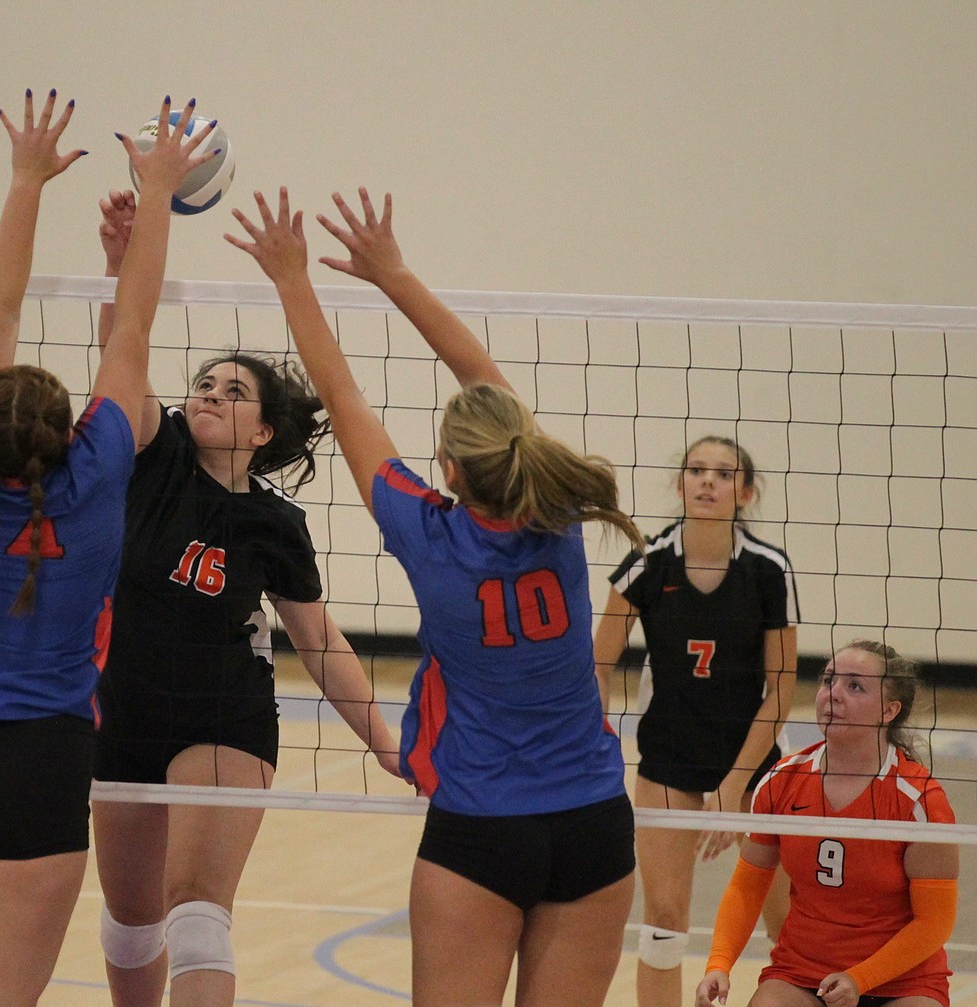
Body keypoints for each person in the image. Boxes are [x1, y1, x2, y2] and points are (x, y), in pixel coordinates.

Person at [227, 185, 641, 1007]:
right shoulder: (557, 521)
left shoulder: (430, 538)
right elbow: (487, 389)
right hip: (595, 822)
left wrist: (292, 279)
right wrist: (395, 274)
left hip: (481, 828)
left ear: (448, 472)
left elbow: (342, 398)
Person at [0, 92, 213, 1006]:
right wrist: (156, 197)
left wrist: (25, 180)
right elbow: (134, 328)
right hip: (40, 759)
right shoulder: (96, 476)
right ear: (73, 433)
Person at [89, 189, 402, 1007]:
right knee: (127, 923)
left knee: (195, 914)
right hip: (120, 710)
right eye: (204, 383)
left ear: (264, 432)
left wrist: (383, 740)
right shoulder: (149, 458)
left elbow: (320, 640)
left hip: (222, 717)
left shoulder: (273, 522)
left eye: (233, 391)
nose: (209, 394)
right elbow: (120, 352)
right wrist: (118, 266)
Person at [592, 435, 800, 1007]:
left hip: (754, 757)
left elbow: (781, 692)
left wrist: (734, 787)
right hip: (670, 755)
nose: (708, 481)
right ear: (680, 483)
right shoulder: (645, 564)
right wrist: (597, 743)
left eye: (723, 473)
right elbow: (598, 664)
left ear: (745, 491)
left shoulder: (767, 570)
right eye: (696, 470)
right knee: (662, 917)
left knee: (787, 921)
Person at [696, 640, 959, 1007]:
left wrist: (860, 978)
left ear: (889, 710)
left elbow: (935, 923)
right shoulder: (781, 780)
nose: (833, 694)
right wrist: (719, 964)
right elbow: (747, 887)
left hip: (901, 980)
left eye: (854, 686)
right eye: (828, 680)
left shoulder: (919, 801)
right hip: (803, 973)